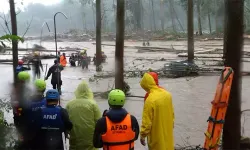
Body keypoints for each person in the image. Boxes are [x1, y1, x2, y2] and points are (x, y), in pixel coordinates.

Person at [139, 72, 175, 150]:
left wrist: (142, 135)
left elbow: (147, 122)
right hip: (168, 134)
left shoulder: (150, 99)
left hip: (156, 137)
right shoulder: (167, 95)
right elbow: (172, 115)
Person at [66, 81, 101, 150]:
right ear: (88, 91)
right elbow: (99, 121)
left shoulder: (69, 104)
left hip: (75, 136)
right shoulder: (93, 104)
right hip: (90, 137)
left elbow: (66, 121)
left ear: (77, 91)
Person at [20, 79, 47, 149]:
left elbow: (22, 117)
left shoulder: (26, 101)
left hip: (29, 133)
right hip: (43, 133)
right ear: (44, 89)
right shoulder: (47, 102)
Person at [11, 71, 31, 149]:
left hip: (18, 115)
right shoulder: (25, 89)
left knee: (20, 131)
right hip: (23, 115)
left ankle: (22, 142)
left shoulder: (16, 89)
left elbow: (13, 102)